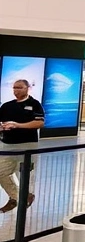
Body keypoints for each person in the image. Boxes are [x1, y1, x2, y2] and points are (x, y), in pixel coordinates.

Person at [0, 80, 44, 212]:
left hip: (27, 146)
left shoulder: (34, 104)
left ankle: (22, 197)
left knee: (25, 175)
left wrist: (17, 125)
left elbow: (39, 123)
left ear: (27, 88)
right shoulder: (6, 106)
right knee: (1, 172)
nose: (16, 90)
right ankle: (17, 197)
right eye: (14, 88)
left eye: (19, 87)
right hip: (7, 146)